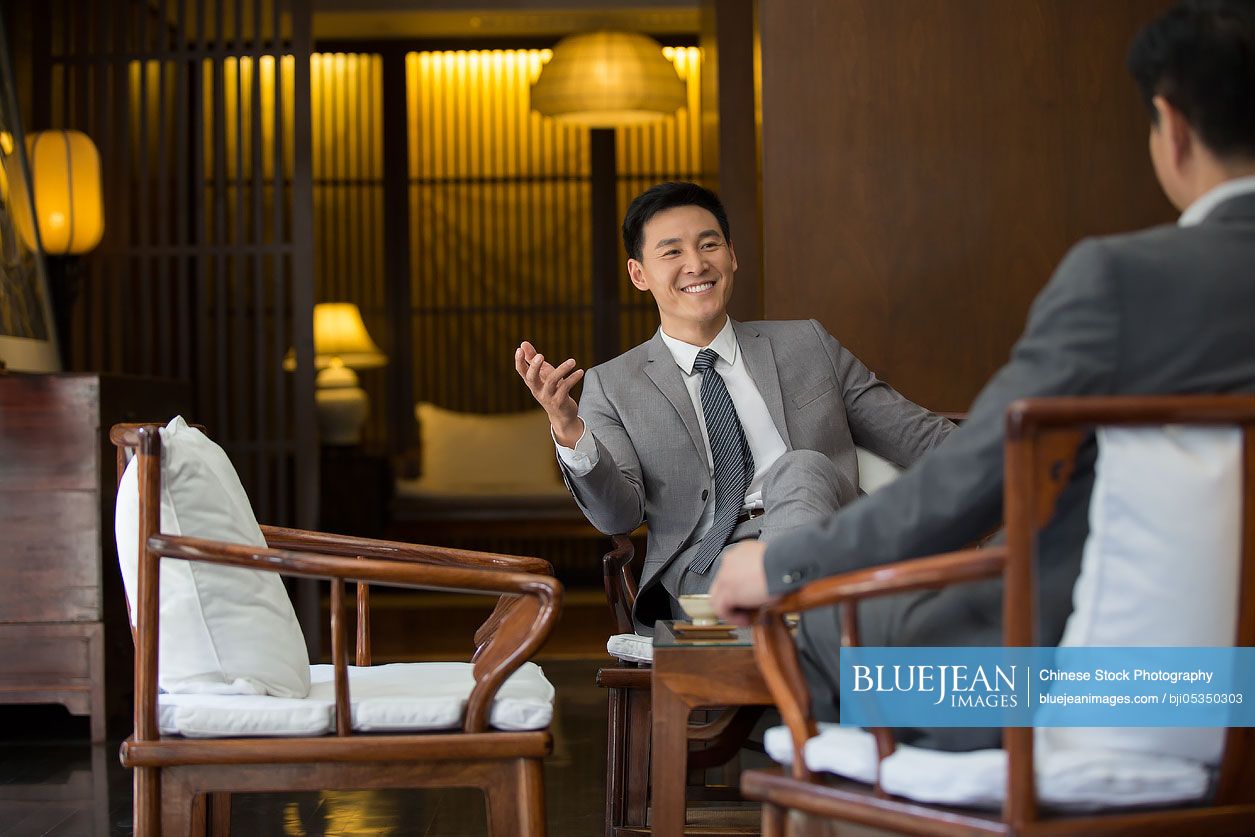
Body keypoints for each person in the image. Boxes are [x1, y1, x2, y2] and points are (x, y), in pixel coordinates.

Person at [710, 0, 1255, 750]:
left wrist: (783, 561)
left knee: (836, 627)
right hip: (1234, 688)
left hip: (1125, 691)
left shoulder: (1125, 280)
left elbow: (974, 475)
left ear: (1173, 126)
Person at [515, 181, 954, 634]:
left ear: (732, 256)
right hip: (709, 569)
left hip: (832, 541)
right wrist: (568, 428)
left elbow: (917, 436)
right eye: (672, 252)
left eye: (709, 245)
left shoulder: (807, 345)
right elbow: (617, 516)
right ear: (638, 274)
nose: (696, 264)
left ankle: (782, 619)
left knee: (801, 467)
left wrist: (1021, 472)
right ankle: (795, 633)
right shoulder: (611, 384)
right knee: (820, 632)